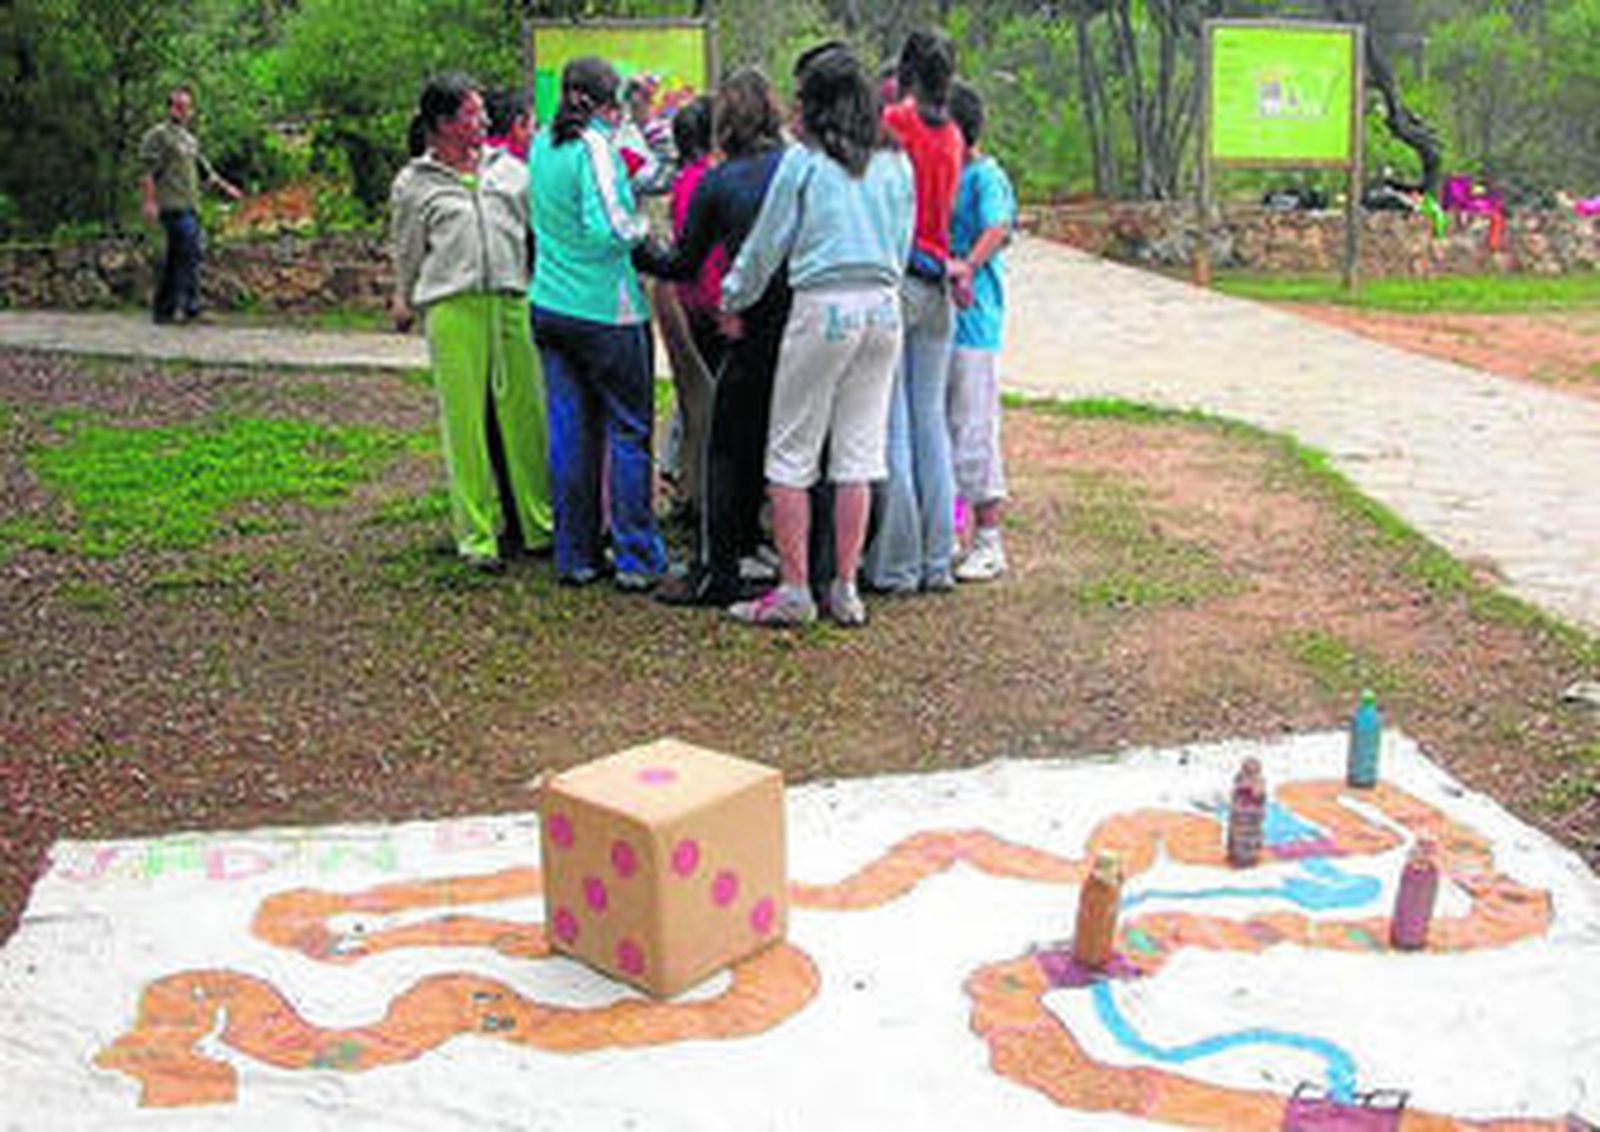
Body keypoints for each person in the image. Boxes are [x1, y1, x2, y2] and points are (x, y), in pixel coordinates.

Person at [719, 43, 914, 628]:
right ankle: (846, 588)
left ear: (816, 103)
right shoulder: (895, 160)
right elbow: (901, 242)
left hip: (822, 307)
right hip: (883, 308)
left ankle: (796, 588)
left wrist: (734, 297)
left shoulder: (804, 161)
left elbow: (767, 244)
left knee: (792, 451)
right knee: (858, 453)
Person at [634, 67, 791, 608]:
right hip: (799, 326)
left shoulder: (719, 184)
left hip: (744, 327)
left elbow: (682, 262)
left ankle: (716, 568)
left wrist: (637, 244)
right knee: (793, 450)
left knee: (727, 448)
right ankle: (805, 565)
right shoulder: (797, 169)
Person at [389, 73, 553, 572]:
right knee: (464, 425)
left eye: (482, 113)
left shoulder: (510, 171)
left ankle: (538, 526)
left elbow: (537, 231)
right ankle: (476, 536)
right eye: (471, 114)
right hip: (453, 305)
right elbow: (406, 249)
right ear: (443, 124)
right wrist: (403, 297)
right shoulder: (415, 184)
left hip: (510, 299)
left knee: (526, 416)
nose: (483, 122)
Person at [529, 57, 666, 591]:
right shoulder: (596, 147)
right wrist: (645, 237)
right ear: (608, 105)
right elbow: (607, 224)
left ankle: (576, 553)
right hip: (607, 310)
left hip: (550, 302)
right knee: (629, 430)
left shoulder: (543, 142)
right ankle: (636, 556)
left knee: (570, 432)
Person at [863, 29, 967, 595]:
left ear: (905, 67)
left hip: (901, 279)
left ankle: (896, 565)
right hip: (939, 286)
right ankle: (936, 559)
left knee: (894, 426)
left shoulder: (895, 124)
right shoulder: (951, 132)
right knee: (932, 425)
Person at [945, 82, 1016, 583]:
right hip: (941, 321)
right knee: (944, 427)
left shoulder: (985, 176)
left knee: (975, 429)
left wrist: (968, 266)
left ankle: (989, 539)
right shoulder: (945, 174)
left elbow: (999, 227)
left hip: (975, 322)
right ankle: (949, 530)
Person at [652, 95, 719, 523]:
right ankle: (701, 498)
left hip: (684, 298)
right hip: (701, 304)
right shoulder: (706, 180)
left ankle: (691, 492)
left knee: (693, 403)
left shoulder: (684, 180)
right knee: (705, 405)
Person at [138, 85, 242, 325]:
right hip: (170, 204)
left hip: (190, 204)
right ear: (169, 108)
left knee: (178, 256)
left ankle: (163, 310)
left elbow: (206, 172)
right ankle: (190, 307)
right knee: (190, 251)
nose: (182, 111)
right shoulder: (158, 136)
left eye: (186, 106)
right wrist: (150, 201)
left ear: (191, 110)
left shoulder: (190, 140)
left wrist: (227, 188)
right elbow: (146, 172)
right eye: (177, 105)